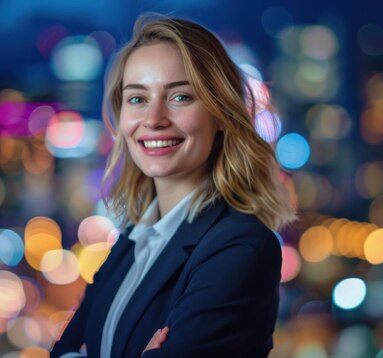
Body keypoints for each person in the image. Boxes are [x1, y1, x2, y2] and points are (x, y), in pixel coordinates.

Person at [52, 14, 296, 358]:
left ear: (222, 113)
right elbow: (61, 348)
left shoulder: (241, 248)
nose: (153, 119)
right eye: (137, 99)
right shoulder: (133, 238)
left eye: (180, 97)